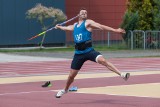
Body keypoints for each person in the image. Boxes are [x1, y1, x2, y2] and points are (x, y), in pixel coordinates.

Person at [55, 8, 130, 98]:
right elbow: (67, 28)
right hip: (78, 54)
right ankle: (65, 90)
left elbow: (101, 26)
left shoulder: (88, 23)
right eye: (82, 12)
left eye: (86, 13)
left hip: (89, 51)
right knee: (71, 76)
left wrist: (115, 30)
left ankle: (122, 74)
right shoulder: (75, 25)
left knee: (103, 60)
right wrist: (59, 27)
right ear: (78, 15)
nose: (84, 13)